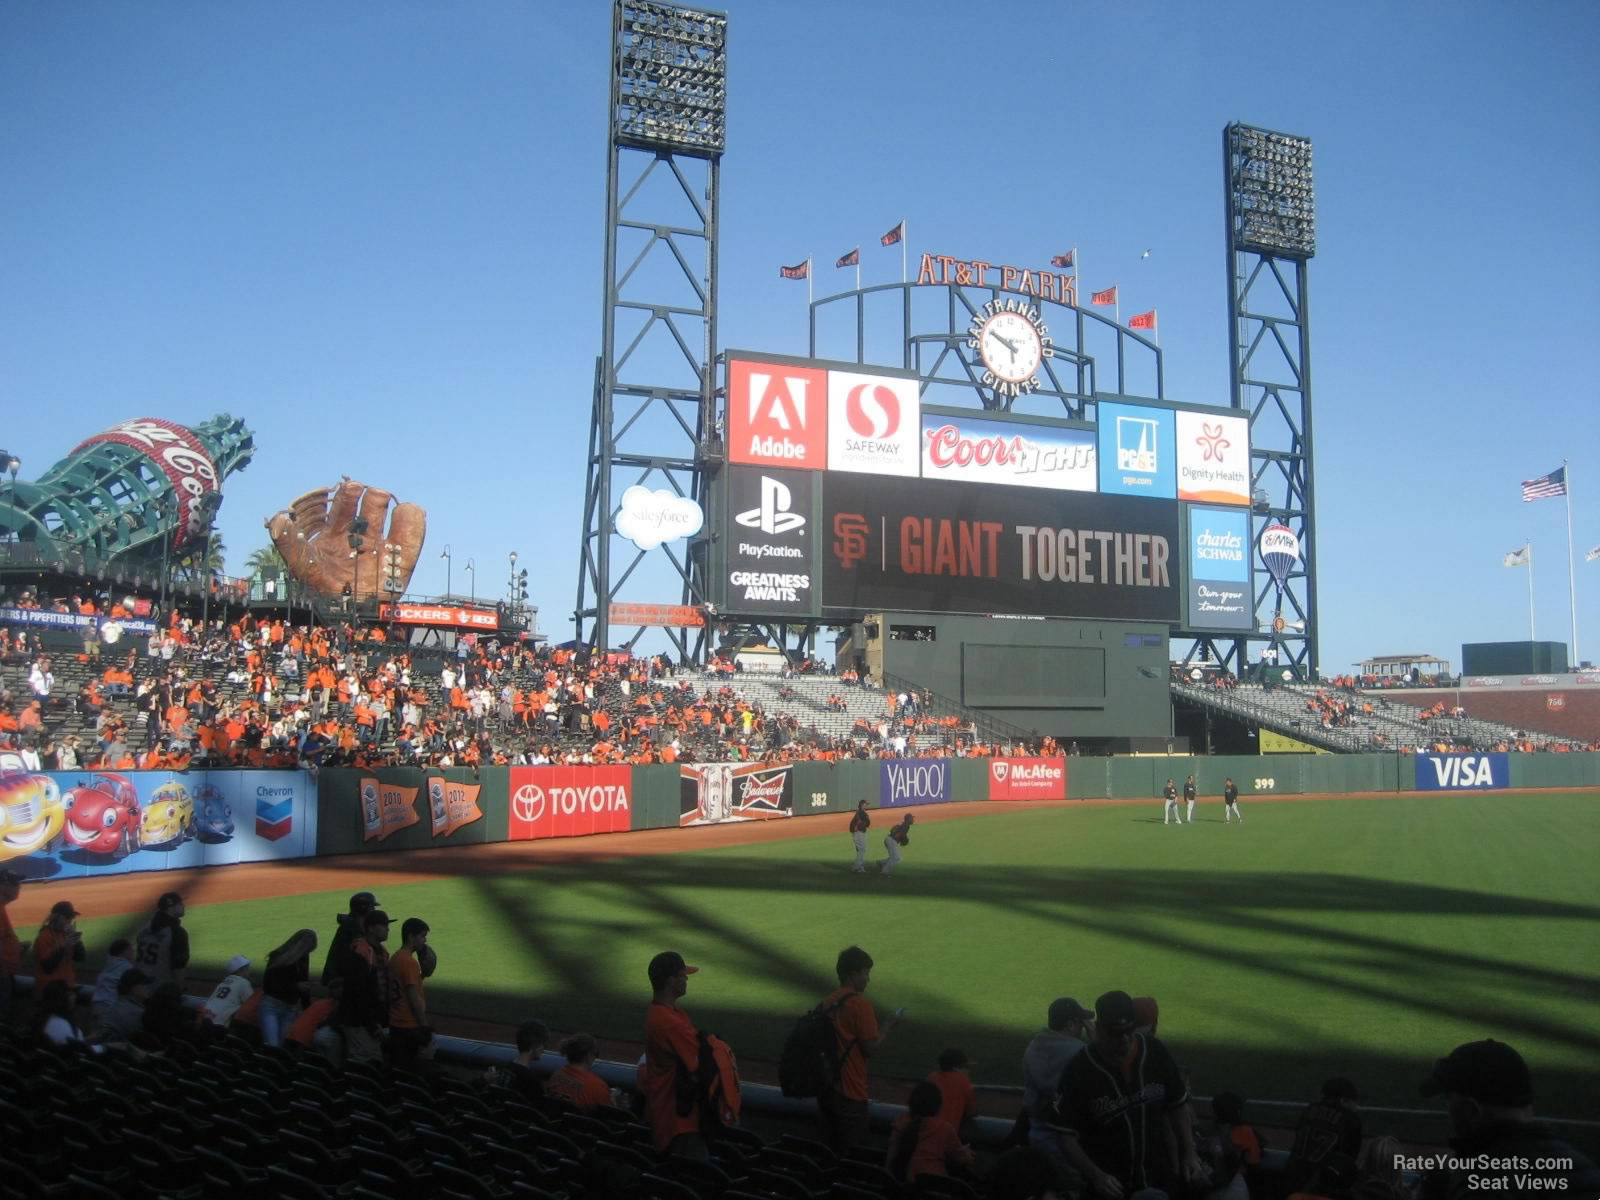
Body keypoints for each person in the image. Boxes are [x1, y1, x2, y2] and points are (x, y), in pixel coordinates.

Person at [1052, 989, 1207, 1198]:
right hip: (1110, 1186)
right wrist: (1096, 1175)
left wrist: (1189, 1153)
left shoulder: (1154, 1050)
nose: (1125, 1040)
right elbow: (1064, 1135)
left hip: (1160, 1175)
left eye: (1130, 1031)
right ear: (1098, 1029)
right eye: (1115, 1034)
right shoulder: (1080, 1069)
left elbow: (1177, 1104)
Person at [1417, 1039, 1599, 1200]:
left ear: (1472, 1111)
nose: (1448, 1110)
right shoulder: (1582, 1166)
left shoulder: (1482, 1183)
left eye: (1448, 1099)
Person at [820, 945, 901, 1153]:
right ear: (853, 974)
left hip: (827, 1088)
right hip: (851, 1093)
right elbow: (871, 1048)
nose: (868, 979)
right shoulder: (860, 1005)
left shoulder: (828, 1002)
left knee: (831, 1148)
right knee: (851, 1154)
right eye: (865, 973)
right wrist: (888, 1027)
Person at [642, 950, 708, 1160]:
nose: (687, 978)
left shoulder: (661, 1013)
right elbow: (701, 1066)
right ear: (671, 981)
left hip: (665, 1115)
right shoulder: (670, 1023)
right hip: (679, 1124)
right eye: (682, 975)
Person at [1022, 997, 1094, 1188]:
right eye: (1080, 1022)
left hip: (1037, 1134)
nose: (1083, 1028)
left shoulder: (1033, 1047)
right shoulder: (1081, 1052)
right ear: (1070, 1024)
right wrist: (1095, 1041)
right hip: (1069, 1142)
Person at [1284, 1077, 1363, 1195]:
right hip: (1324, 1185)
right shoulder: (1351, 1119)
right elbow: (1350, 1159)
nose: (1357, 1106)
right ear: (1343, 1101)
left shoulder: (1308, 1110)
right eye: (1354, 1101)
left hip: (1293, 1178)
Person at [886, 1079, 975, 1184]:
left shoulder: (900, 1123)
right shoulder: (944, 1128)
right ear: (937, 1106)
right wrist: (968, 1154)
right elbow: (961, 1159)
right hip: (932, 1190)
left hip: (897, 1188)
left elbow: (892, 1158)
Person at [336, 908, 392, 1064]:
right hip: (359, 1022)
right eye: (384, 925)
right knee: (365, 1066)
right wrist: (372, 1025)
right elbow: (358, 994)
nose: (388, 929)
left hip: (370, 1020)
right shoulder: (360, 953)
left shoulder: (382, 952)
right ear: (371, 928)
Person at [260, 928, 318, 1048]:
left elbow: (303, 982)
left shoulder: (303, 958)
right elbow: (269, 986)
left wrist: (306, 1008)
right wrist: (296, 987)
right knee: (273, 1046)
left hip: (290, 1008)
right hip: (272, 1006)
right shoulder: (277, 956)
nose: (307, 953)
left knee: (282, 1046)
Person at [387, 917, 432, 1065]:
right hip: (409, 1026)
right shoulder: (409, 962)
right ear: (411, 936)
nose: (424, 940)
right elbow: (414, 999)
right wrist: (424, 1026)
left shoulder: (395, 957)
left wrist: (422, 976)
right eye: (422, 936)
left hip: (395, 1024)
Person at [320, 891, 379, 989]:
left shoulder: (352, 925)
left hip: (341, 980)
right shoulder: (350, 929)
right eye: (372, 907)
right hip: (339, 983)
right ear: (365, 909)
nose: (374, 910)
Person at [134, 892, 191, 990]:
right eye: (180, 904)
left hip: (140, 987)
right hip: (162, 990)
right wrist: (180, 988)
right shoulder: (177, 932)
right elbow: (178, 966)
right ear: (171, 907)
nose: (183, 906)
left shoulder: (144, 928)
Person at [548, 1033, 612, 1112]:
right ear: (588, 1056)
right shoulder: (596, 1085)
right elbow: (609, 1114)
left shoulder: (556, 1076)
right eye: (595, 1054)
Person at [32, 900, 86, 991]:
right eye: (68, 917)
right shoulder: (44, 937)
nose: (70, 920)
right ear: (57, 917)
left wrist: (77, 940)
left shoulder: (65, 934)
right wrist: (64, 946)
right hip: (48, 990)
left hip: (67, 986)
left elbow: (81, 957)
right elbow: (48, 967)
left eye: (72, 918)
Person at [929, 1047, 978, 1140]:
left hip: (923, 1131)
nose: (968, 1070)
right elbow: (972, 1112)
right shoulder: (963, 1081)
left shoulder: (931, 1077)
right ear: (957, 1068)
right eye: (964, 1067)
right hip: (946, 1137)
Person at [96, 969, 153, 1044]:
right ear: (133, 988)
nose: (148, 988)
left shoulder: (114, 1007)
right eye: (144, 984)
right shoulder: (137, 1013)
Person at [0, 869, 27, 1016]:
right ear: (3, 885)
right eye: (15, 884)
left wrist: (17, 947)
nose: (18, 888)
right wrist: (3, 973)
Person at [200, 955, 254, 1027]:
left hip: (205, 1015)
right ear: (240, 970)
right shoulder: (244, 982)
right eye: (247, 969)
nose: (249, 971)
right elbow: (251, 1003)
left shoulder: (223, 982)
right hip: (219, 1022)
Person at [91, 938, 135, 1021]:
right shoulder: (127, 967)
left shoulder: (109, 962)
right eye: (130, 949)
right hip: (110, 1006)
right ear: (124, 951)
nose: (133, 952)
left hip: (97, 1005)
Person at [34, 978, 85, 1047]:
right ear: (62, 998)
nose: (74, 997)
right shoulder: (66, 1027)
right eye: (70, 994)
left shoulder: (40, 1020)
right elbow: (78, 1050)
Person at [880, 811, 914, 875]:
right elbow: (899, 835)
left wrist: (902, 838)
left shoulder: (902, 824)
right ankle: (884, 872)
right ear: (908, 819)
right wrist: (905, 840)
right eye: (911, 818)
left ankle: (881, 863)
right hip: (892, 841)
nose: (913, 820)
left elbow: (893, 831)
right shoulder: (906, 826)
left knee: (893, 857)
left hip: (888, 839)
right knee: (896, 858)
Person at [848, 799, 871, 873]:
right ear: (862, 805)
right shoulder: (861, 813)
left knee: (860, 851)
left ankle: (860, 868)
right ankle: (856, 867)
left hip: (858, 833)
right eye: (866, 804)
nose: (867, 806)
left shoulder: (860, 812)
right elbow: (867, 823)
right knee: (862, 850)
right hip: (858, 833)